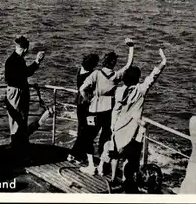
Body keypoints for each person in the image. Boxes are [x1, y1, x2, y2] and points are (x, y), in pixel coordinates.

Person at [99, 49, 167, 190]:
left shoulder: (119, 91)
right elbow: (154, 75)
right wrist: (163, 61)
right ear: (137, 78)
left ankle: (112, 179)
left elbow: (115, 110)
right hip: (134, 132)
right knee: (130, 159)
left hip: (118, 128)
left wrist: (113, 126)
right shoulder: (141, 90)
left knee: (115, 155)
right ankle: (125, 180)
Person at [78, 38, 134, 175]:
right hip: (109, 111)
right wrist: (131, 48)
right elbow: (128, 65)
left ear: (103, 61)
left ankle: (91, 166)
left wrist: (87, 99)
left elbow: (82, 89)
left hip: (94, 110)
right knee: (106, 139)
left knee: (87, 137)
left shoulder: (95, 74)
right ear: (113, 64)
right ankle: (102, 166)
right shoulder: (116, 76)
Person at [5, 35, 45, 150]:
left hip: (15, 92)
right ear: (26, 49)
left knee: (16, 121)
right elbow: (26, 73)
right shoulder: (16, 61)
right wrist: (37, 61)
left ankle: (18, 144)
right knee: (19, 121)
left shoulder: (13, 60)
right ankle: (17, 146)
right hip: (18, 92)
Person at [69, 53, 100, 162]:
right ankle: (76, 154)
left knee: (81, 129)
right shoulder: (90, 74)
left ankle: (76, 153)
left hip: (79, 103)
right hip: (86, 104)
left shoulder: (80, 71)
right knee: (86, 131)